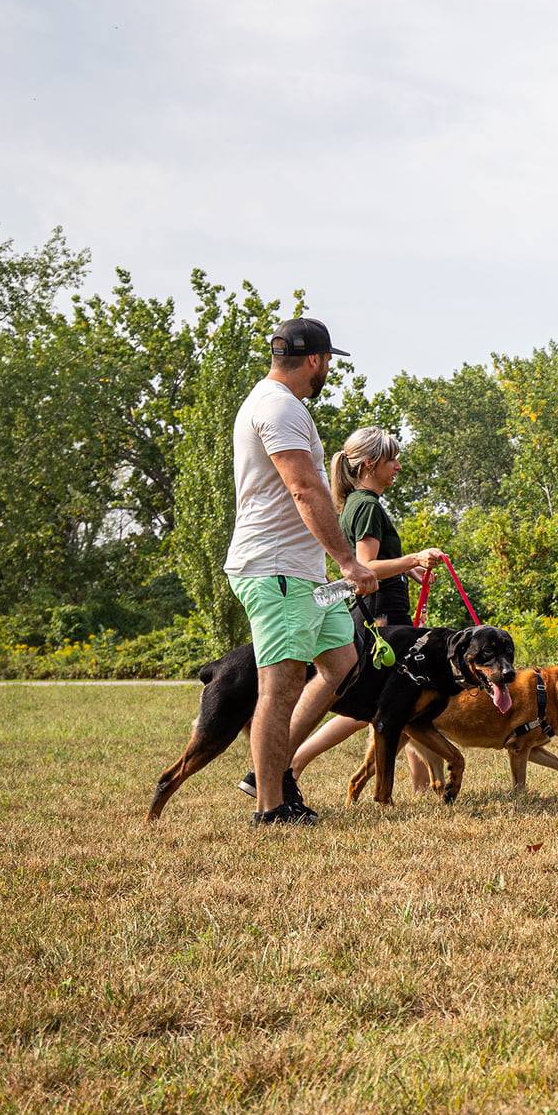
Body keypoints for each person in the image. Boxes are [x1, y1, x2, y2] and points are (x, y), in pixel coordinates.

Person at [222, 317, 377, 825]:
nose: (328, 368)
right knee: (282, 683)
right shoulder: (278, 407)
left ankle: (274, 770)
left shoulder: (282, 405)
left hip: (302, 574)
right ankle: (271, 806)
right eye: (329, 360)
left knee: (341, 662)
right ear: (314, 359)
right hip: (275, 569)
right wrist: (348, 561)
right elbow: (304, 489)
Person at [285, 426, 447, 790]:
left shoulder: (359, 503)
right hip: (380, 614)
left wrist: (411, 570)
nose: (398, 467)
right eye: (392, 459)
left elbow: (375, 563)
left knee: (401, 699)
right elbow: (363, 567)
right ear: (371, 463)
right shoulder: (367, 506)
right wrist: (411, 559)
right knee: (373, 705)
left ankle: (421, 784)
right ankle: (292, 763)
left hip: (381, 609)